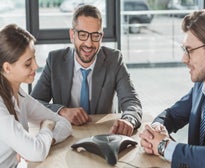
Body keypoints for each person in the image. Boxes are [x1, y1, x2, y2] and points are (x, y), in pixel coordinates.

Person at [31, 4, 142, 136]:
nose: (89, 43)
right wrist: (62, 111)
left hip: (104, 135)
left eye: (95, 35)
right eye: (83, 35)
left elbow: (131, 100)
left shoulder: (114, 59)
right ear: (72, 35)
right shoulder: (55, 60)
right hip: (66, 135)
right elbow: (34, 103)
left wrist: (129, 120)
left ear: (101, 36)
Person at [140, 9, 205, 168]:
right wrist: (157, 129)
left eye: (189, 50)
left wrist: (164, 147)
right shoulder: (201, 87)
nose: (183, 59)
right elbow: (172, 114)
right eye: (184, 50)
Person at [0, 24, 72, 168]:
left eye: (33, 58)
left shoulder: (20, 96)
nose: (36, 66)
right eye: (28, 64)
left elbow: (65, 124)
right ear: (7, 68)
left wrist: (45, 141)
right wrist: (46, 127)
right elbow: (36, 152)